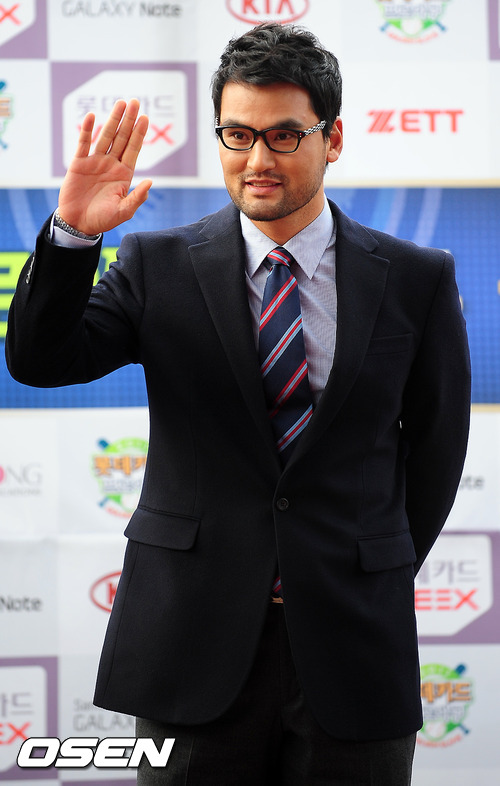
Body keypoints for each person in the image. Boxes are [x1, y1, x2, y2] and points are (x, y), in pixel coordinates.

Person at [6, 22, 470, 786]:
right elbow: (39, 363)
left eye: (284, 135)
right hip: (189, 643)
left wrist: (366, 570)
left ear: (333, 138)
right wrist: (72, 238)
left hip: (354, 644)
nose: (257, 160)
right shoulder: (156, 265)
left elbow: (437, 449)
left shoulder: (416, 277)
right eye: (238, 134)